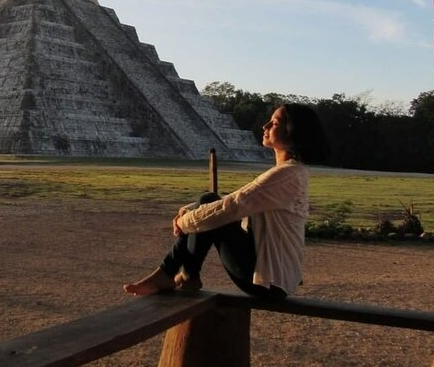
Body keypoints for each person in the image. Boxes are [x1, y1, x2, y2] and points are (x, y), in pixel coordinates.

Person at [123, 104, 329, 300]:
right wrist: (189, 211)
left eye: (274, 123)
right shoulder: (290, 172)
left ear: (291, 132)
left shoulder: (287, 175)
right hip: (273, 278)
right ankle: (183, 275)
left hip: (267, 282)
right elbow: (236, 198)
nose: (265, 127)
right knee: (208, 202)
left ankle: (176, 274)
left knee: (210, 205)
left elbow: (232, 206)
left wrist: (183, 222)